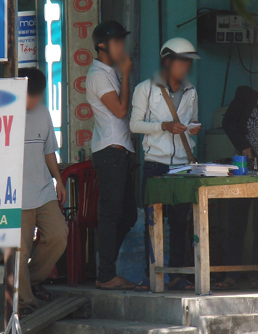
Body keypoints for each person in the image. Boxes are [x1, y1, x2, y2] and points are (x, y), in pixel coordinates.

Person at [130, 37, 201, 291]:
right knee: (154, 222)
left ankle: (179, 274)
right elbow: (134, 125)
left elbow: (192, 120)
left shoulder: (191, 90)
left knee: (181, 222)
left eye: (188, 62)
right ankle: (153, 274)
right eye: (182, 62)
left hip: (183, 165)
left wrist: (191, 130)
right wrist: (164, 127)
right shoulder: (145, 88)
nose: (186, 67)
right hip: (155, 165)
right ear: (168, 61)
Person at [86, 20, 138, 290]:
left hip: (119, 153)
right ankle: (105, 274)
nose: (122, 46)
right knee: (110, 215)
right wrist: (127, 74)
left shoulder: (109, 72)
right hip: (109, 154)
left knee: (127, 215)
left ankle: (102, 267)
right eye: (117, 41)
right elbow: (119, 111)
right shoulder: (98, 74)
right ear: (102, 45)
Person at [215, 76, 258, 290]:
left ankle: (257, 274)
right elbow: (228, 122)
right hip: (242, 168)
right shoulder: (244, 98)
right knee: (236, 224)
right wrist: (243, 146)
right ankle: (231, 274)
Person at [18, 68, 69, 317]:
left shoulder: (42, 111)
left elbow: (49, 150)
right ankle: (24, 302)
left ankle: (33, 278)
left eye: (39, 96)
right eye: (32, 96)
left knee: (59, 235)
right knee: (20, 250)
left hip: (43, 189)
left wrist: (58, 180)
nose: (35, 101)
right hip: (15, 196)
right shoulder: (3, 114)